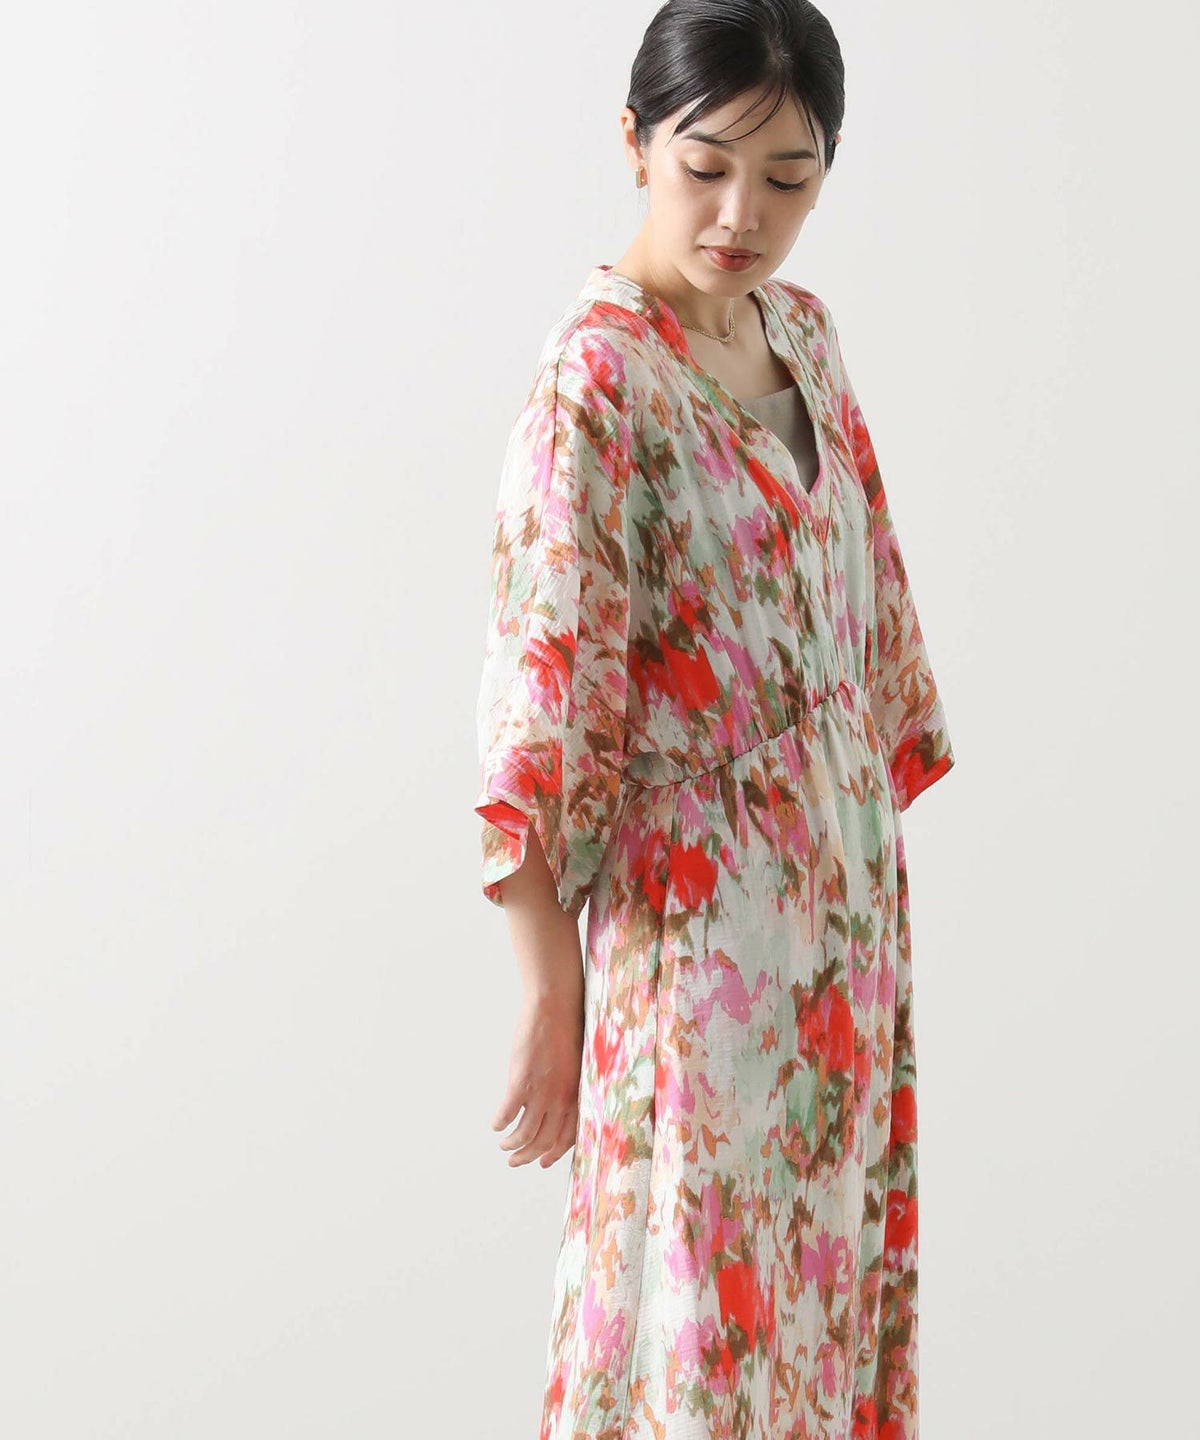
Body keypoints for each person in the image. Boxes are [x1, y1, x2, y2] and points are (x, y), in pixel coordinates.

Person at [472, 1, 955, 1434]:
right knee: (696, 1321)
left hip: (844, 935)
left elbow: (866, 620)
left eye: (788, 177)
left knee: (817, 1308)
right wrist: (551, 992)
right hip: (699, 948)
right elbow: (540, 700)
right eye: (707, 167)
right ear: (636, 144)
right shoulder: (597, 382)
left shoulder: (804, 334)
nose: (744, 216)